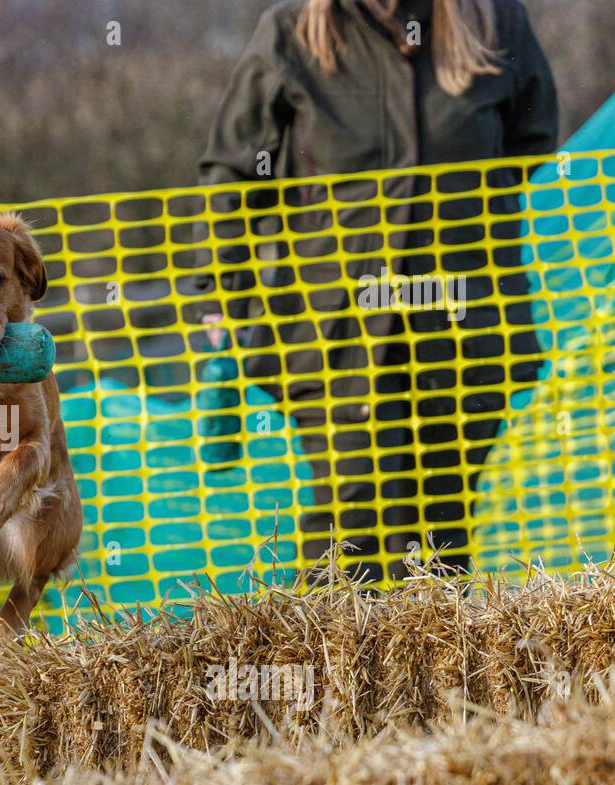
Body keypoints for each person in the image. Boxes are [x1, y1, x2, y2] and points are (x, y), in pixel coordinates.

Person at [194, 0, 558, 581]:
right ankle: (329, 667)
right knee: (348, 522)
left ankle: (442, 669)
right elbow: (234, 172)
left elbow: (532, 141)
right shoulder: (292, 30)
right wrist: (221, 294)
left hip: (464, 326)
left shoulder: (494, 20)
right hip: (333, 331)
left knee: (441, 527)